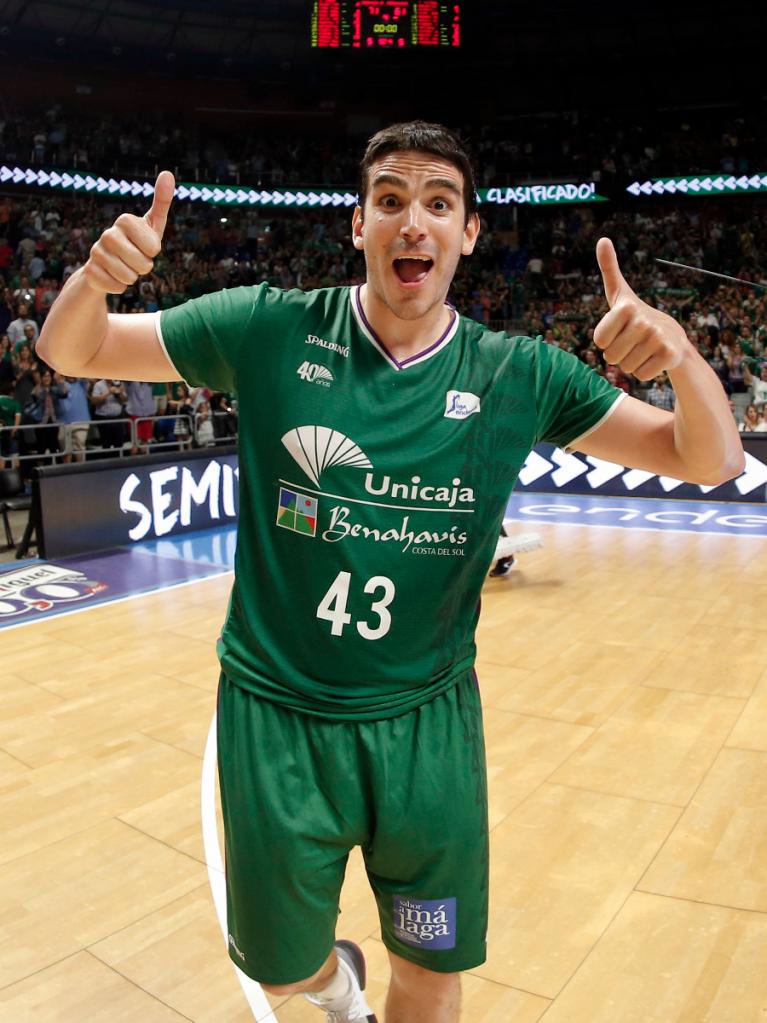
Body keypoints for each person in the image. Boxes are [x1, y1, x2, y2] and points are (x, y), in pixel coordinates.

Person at [37, 121, 744, 1023]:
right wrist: (95, 277)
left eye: (439, 204)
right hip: (278, 712)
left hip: (426, 722)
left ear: (469, 233)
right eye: (392, 202)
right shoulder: (268, 325)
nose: (415, 222)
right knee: (284, 972)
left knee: (434, 969)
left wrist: (679, 356)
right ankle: (334, 984)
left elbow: (708, 458)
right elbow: (75, 351)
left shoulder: (516, 372)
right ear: (358, 224)